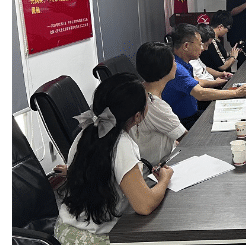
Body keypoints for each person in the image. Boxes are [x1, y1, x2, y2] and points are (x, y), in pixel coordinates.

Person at [55, 73, 173, 245]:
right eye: (148, 99)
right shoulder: (122, 145)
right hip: (92, 239)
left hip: (65, 229)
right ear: (137, 116)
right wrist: (164, 179)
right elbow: (144, 205)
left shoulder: (86, 132)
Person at [162, 24, 246, 129]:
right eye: (199, 44)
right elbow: (200, 93)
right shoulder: (177, 68)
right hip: (183, 121)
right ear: (186, 46)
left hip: (192, 114)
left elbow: (196, 82)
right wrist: (236, 93)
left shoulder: (183, 63)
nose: (203, 48)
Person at [129, 42, 187, 170]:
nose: (176, 65)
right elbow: (185, 137)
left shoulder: (139, 90)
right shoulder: (154, 105)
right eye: (174, 61)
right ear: (166, 67)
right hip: (155, 170)